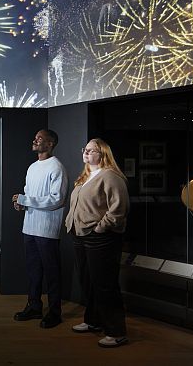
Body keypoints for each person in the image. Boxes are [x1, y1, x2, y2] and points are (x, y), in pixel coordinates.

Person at [65, 138, 130, 348]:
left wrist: (100, 227)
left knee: (105, 284)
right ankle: (93, 321)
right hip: (80, 235)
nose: (86, 153)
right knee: (88, 281)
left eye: (92, 150)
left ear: (102, 154)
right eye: (85, 149)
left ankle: (116, 331)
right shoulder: (85, 176)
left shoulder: (110, 176)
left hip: (100, 238)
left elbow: (118, 209)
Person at [12, 129, 68, 329]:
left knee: (52, 272)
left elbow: (56, 199)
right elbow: (29, 193)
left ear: (50, 143)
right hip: (30, 226)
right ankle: (34, 306)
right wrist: (21, 203)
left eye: (40, 138)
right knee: (33, 270)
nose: (35, 140)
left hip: (47, 229)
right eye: (35, 137)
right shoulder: (32, 167)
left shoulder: (57, 167)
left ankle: (55, 312)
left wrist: (26, 200)